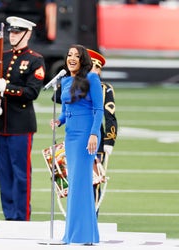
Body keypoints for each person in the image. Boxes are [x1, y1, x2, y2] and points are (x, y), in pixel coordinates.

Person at [0, 16, 45, 221]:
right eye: (11, 32)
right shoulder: (2, 57)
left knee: (21, 174)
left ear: (27, 34)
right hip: (1, 123)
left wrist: (7, 88)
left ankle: (21, 217)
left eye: (16, 32)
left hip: (21, 124)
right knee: (4, 174)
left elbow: (32, 92)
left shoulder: (35, 60)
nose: (12, 36)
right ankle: (9, 216)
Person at [50, 44, 103, 244]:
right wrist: (59, 121)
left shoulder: (92, 78)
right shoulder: (64, 80)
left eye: (76, 55)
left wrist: (94, 134)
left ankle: (83, 235)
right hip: (70, 135)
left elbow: (98, 109)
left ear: (83, 60)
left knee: (81, 184)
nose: (71, 58)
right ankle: (73, 234)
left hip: (85, 136)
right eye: (69, 54)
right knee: (74, 184)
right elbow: (65, 109)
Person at [87, 49, 118, 216]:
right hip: (77, 138)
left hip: (96, 142)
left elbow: (110, 117)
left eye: (94, 68)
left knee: (94, 183)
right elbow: (56, 98)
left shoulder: (104, 89)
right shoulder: (75, 84)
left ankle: (92, 218)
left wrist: (109, 141)